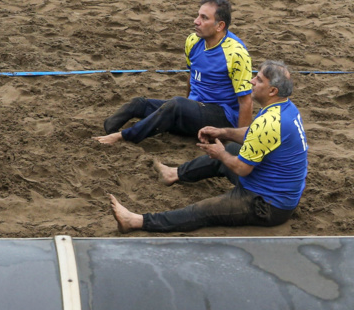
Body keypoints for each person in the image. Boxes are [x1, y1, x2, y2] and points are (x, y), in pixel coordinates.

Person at [109, 62, 308, 234]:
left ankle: (136, 221)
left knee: (203, 211)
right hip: (275, 190)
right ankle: (175, 174)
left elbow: (242, 168)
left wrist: (220, 154)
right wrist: (223, 132)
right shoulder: (285, 108)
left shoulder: (270, 121)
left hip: (266, 205)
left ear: (273, 91)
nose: (252, 82)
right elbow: (255, 134)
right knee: (231, 149)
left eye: (259, 79)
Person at [97, 0, 252, 145]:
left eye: (204, 18)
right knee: (139, 104)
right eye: (198, 15)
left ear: (220, 26)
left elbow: (246, 101)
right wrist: (187, 108)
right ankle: (108, 130)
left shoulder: (236, 54)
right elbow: (191, 76)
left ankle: (122, 136)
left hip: (222, 117)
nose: (196, 21)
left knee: (176, 105)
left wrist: (239, 139)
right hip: (197, 108)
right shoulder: (193, 41)